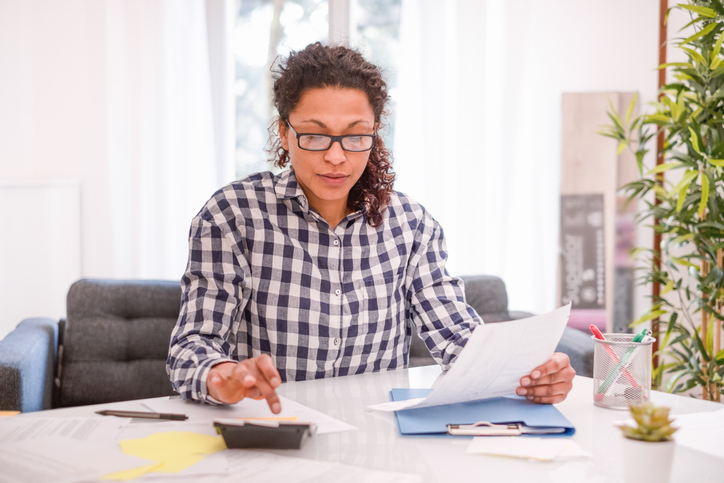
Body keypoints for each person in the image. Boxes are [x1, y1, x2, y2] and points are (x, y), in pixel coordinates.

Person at [167, 42, 574, 414]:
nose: (336, 157)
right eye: (314, 135)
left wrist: (531, 373)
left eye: (356, 136)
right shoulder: (231, 216)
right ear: (284, 134)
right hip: (275, 429)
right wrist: (221, 375)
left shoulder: (412, 225)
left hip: (380, 439)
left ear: (374, 135)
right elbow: (192, 346)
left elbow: (459, 337)